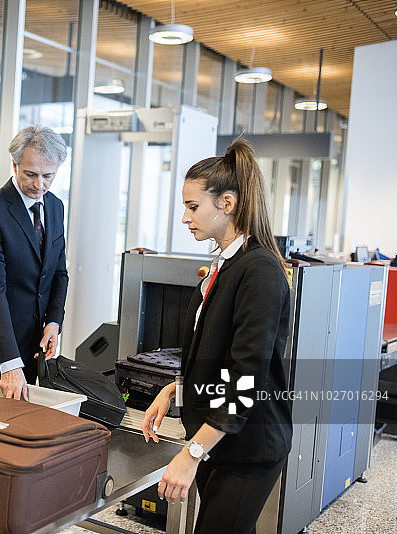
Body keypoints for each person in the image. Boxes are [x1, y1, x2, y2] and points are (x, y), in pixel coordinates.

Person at [140, 139, 292, 533]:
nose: (186, 217)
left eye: (193, 207)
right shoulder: (226, 264)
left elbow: (245, 377)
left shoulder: (259, 270)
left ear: (227, 203)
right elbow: (211, 353)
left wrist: (191, 453)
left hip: (248, 448)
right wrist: (175, 390)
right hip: (220, 441)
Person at [0, 125, 69, 400]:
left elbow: (59, 271)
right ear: (15, 164)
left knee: (23, 423)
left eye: (49, 176)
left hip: (35, 341)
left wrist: (54, 321)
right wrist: (8, 362)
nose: (39, 184)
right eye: (31, 174)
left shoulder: (55, 206)